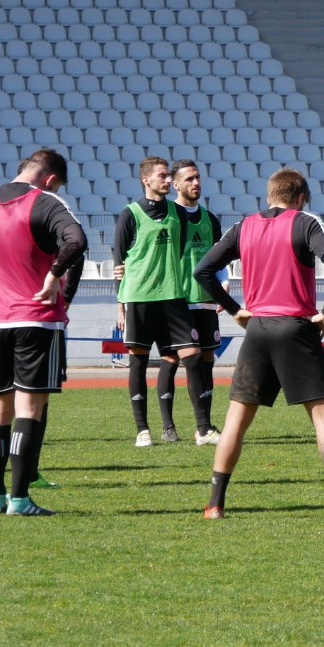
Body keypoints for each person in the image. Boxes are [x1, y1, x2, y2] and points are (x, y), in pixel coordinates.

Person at [192, 168, 324, 520]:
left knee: (235, 422)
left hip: (257, 328)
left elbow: (202, 271)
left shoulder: (243, 226)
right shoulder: (304, 222)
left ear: (270, 194)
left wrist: (235, 312)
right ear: (300, 197)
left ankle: (214, 504)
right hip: (296, 327)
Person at [0, 149, 86, 515]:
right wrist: (54, 275)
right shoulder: (46, 201)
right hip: (36, 319)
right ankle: (20, 499)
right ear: (51, 179)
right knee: (30, 408)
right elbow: (76, 241)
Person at [114, 156, 210, 447]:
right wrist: (120, 305)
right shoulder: (129, 214)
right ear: (146, 180)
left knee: (193, 356)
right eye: (163, 176)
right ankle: (143, 429)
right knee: (138, 364)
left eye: (169, 176)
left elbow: (178, 250)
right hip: (139, 297)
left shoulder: (177, 213)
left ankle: (204, 429)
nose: (168, 180)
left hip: (173, 296)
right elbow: (120, 261)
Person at [167, 159, 223, 446]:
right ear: (175, 184)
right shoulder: (169, 216)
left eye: (198, 177)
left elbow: (218, 258)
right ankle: (178, 425)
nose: (196, 183)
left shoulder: (211, 219)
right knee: (181, 361)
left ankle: (206, 425)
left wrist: (222, 285)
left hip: (204, 301)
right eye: (189, 178)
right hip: (176, 300)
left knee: (206, 361)